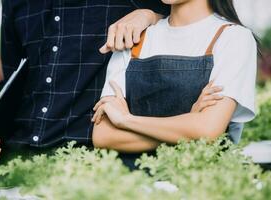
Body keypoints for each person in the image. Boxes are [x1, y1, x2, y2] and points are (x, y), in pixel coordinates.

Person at [0, 0, 172, 165]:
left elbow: (187, 18)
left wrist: (151, 16)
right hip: (17, 158)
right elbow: (13, 79)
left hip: (91, 159)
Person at [92, 0, 258, 157]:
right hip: (134, 182)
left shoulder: (234, 37)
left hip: (201, 180)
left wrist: (126, 120)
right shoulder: (134, 35)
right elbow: (104, 136)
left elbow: (208, 129)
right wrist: (188, 128)